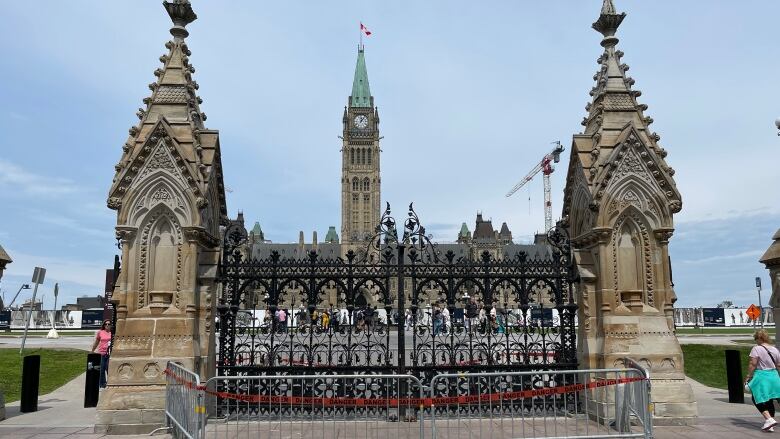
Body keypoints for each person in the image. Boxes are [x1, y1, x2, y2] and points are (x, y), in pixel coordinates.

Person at [745, 329, 780, 431]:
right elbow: (778, 365)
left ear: (758, 338)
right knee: (769, 400)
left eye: (755, 339)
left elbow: (753, 364)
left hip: (762, 376)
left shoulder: (756, 349)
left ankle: (768, 419)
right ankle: (771, 424)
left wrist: (748, 376)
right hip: (774, 376)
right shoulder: (775, 349)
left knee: (756, 398)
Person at [91, 320, 113, 389]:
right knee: (102, 369)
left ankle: (110, 383)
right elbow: (96, 342)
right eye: (105, 324)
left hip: (109, 353)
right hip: (101, 353)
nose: (107, 325)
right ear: (103, 325)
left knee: (108, 368)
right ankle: (102, 384)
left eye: (108, 324)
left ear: (110, 325)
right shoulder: (100, 332)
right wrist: (92, 350)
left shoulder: (112, 333)